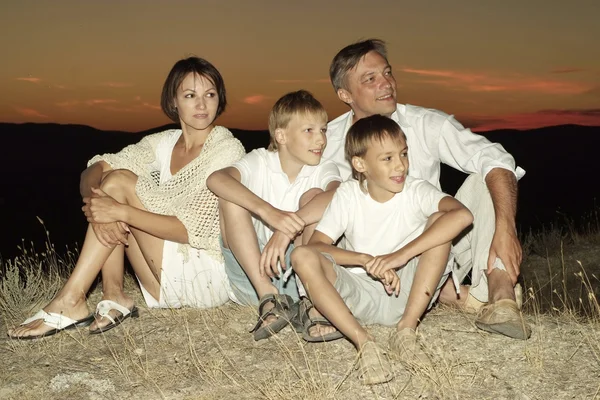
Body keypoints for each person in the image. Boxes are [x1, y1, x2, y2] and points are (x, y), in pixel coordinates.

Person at [8, 57, 245, 339]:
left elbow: (188, 231)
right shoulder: (163, 143)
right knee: (112, 180)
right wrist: (96, 206)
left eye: (210, 95)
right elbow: (93, 171)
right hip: (160, 278)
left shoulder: (226, 149)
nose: (202, 105)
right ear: (174, 101)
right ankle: (114, 294)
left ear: (220, 99)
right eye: (190, 95)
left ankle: (71, 299)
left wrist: (119, 212)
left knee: (119, 183)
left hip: (202, 277)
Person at [322, 39, 531, 340]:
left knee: (486, 177)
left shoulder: (425, 124)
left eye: (388, 73)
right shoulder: (328, 141)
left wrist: (506, 229)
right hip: (367, 265)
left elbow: (497, 160)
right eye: (370, 79)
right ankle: (457, 297)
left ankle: (500, 296)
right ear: (345, 94)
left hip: (435, 246)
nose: (387, 84)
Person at [291, 115, 474, 385]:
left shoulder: (416, 190)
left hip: (408, 293)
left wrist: (398, 257)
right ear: (360, 164)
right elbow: (317, 246)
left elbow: (463, 216)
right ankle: (364, 343)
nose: (400, 165)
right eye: (387, 158)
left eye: (403, 154)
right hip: (358, 296)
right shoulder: (349, 195)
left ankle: (406, 331)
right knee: (301, 255)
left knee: (439, 223)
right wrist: (365, 260)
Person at [206, 90, 342, 341]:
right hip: (253, 274)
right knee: (231, 194)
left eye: (323, 130)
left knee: (314, 196)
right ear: (281, 135)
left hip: (302, 277)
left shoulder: (323, 167)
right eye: (309, 131)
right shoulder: (260, 160)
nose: (320, 140)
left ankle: (313, 303)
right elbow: (217, 179)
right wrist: (270, 214)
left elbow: (338, 196)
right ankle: (269, 298)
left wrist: (287, 228)